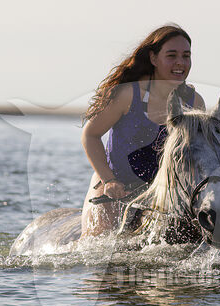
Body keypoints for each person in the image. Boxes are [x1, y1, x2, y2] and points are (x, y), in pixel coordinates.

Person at [80, 24, 205, 237]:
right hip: (115, 186)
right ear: (153, 59)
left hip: (165, 192)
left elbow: (196, 153)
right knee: (100, 251)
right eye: (171, 55)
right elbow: (90, 136)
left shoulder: (195, 102)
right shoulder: (128, 95)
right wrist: (109, 180)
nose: (180, 63)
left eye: (186, 56)